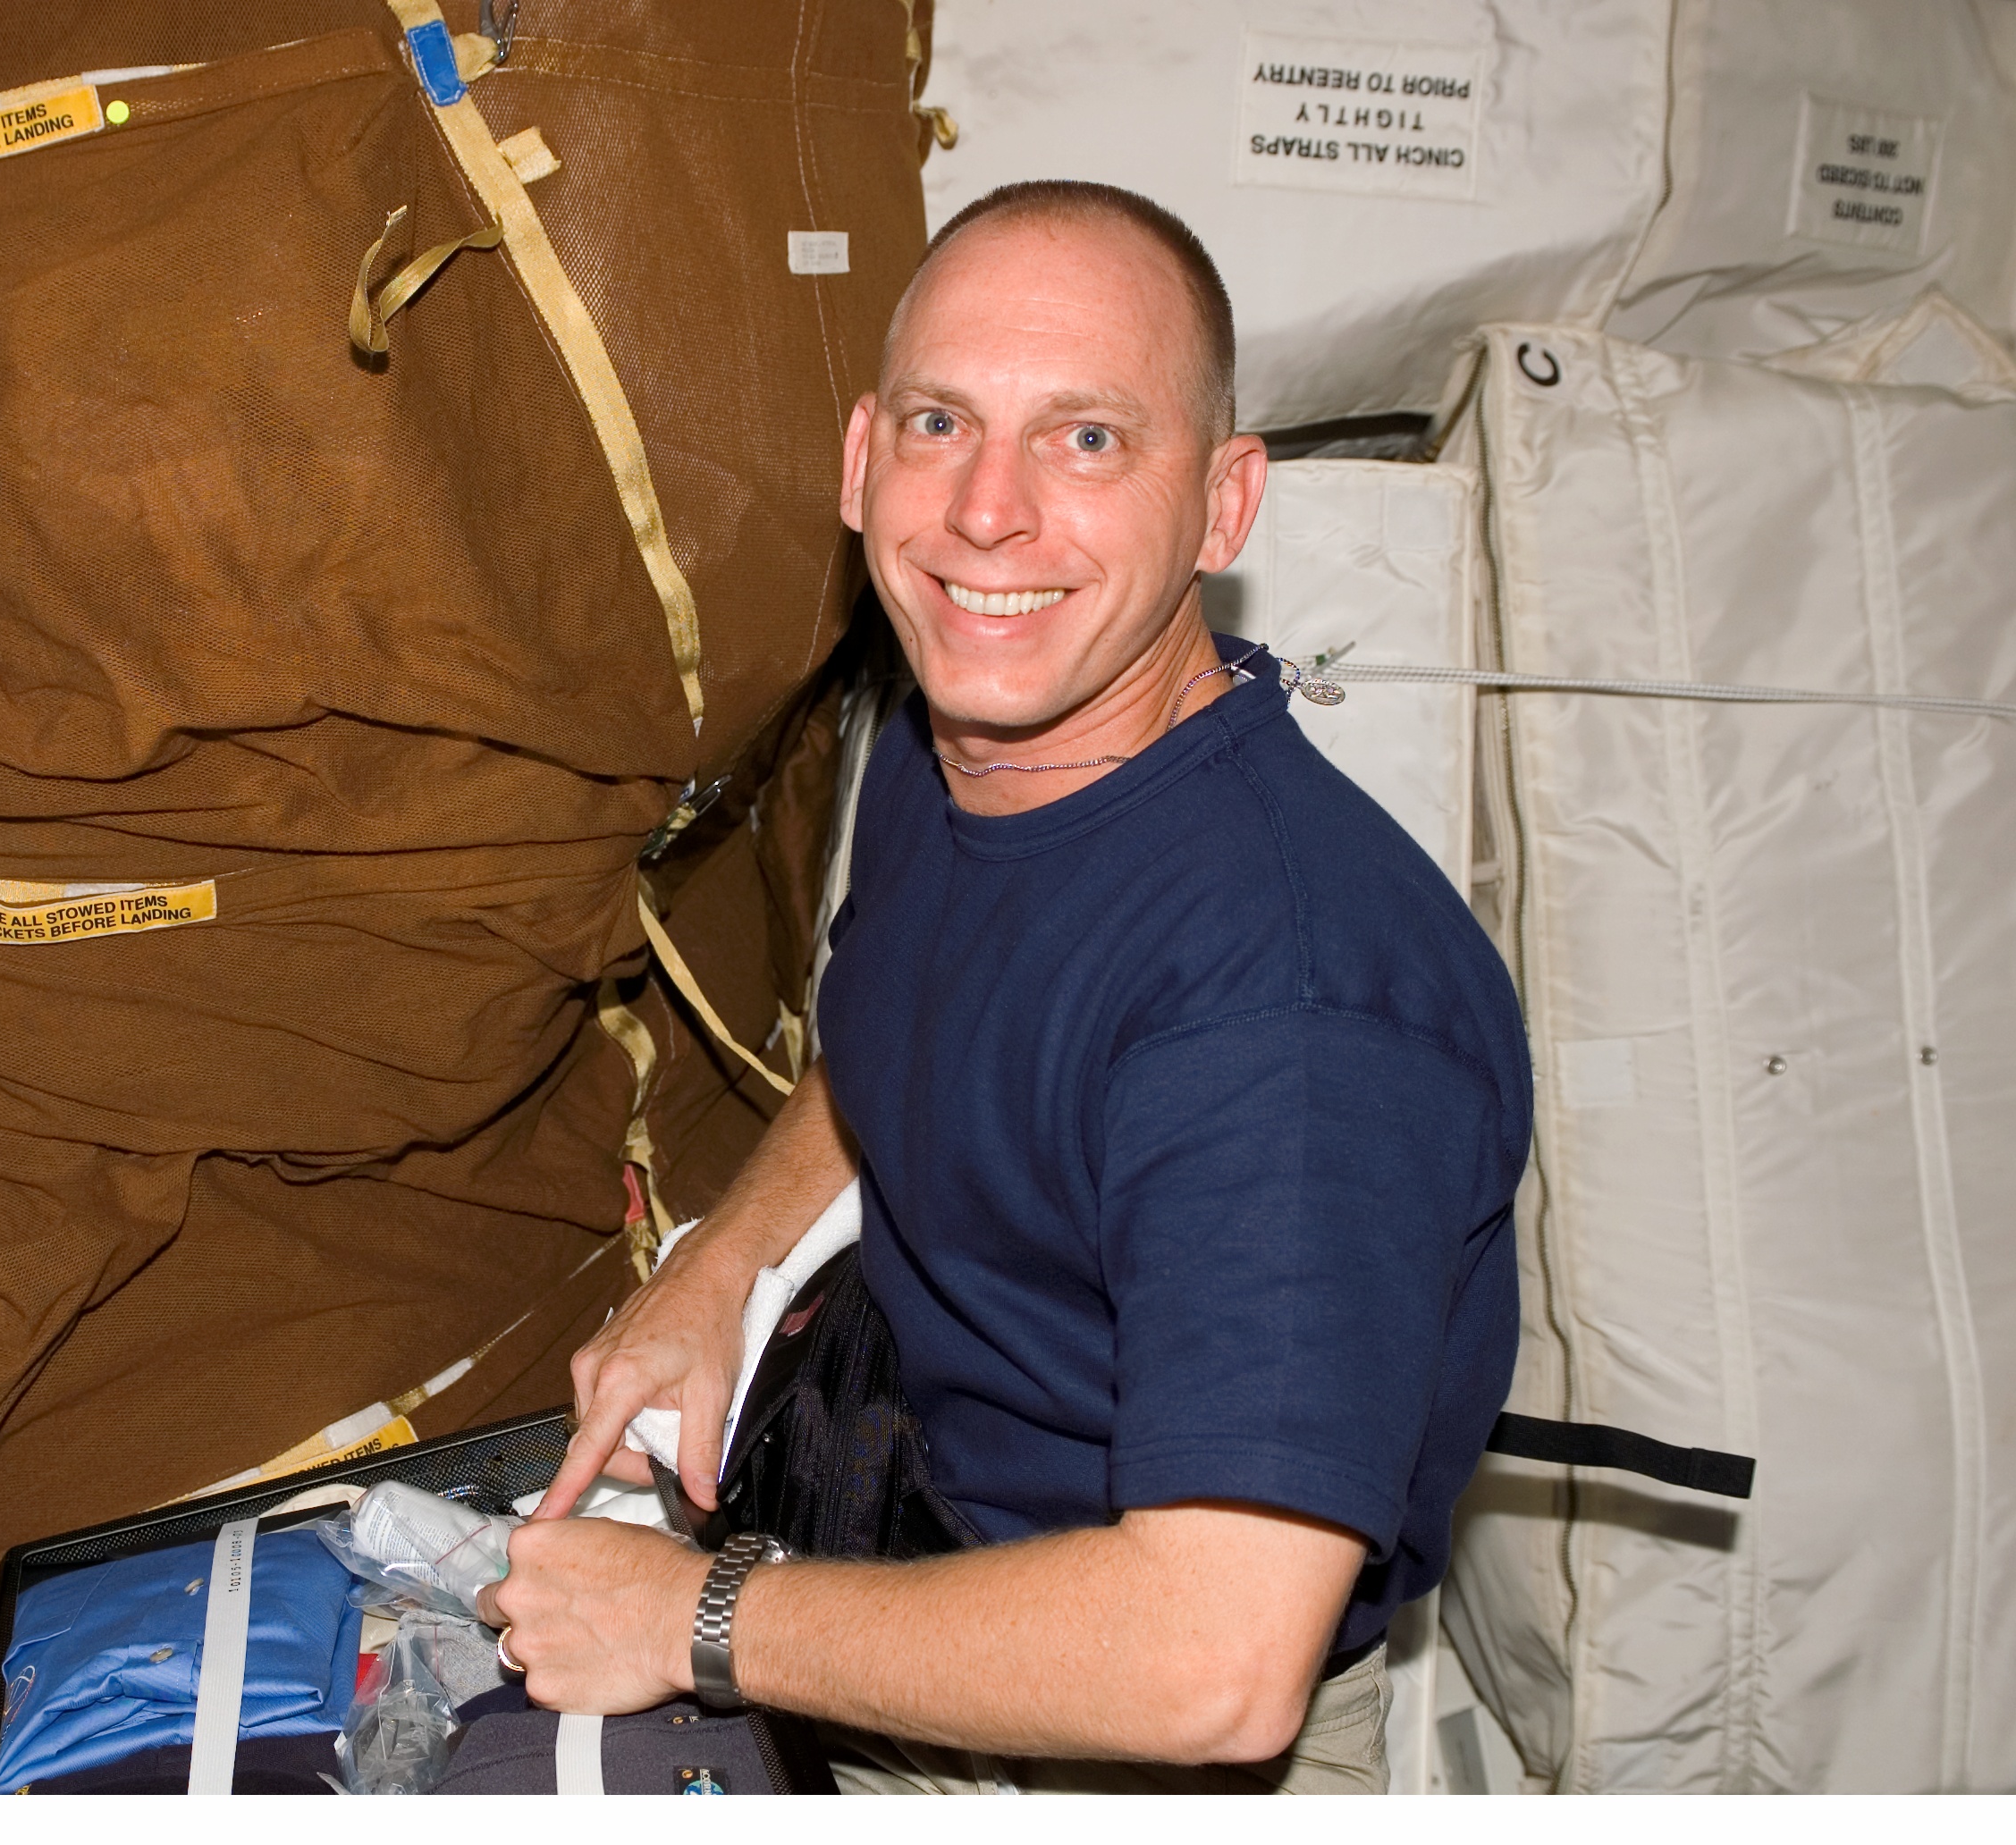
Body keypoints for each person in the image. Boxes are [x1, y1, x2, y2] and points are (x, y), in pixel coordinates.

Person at [473, 180, 1532, 1795]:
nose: (986, 512)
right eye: (940, 422)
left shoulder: (1295, 1014)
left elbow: (1213, 1660)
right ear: (857, 460)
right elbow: (902, 1029)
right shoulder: (952, 745)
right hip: (912, 1535)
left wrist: (698, 1620)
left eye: (1088, 439)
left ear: (1227, 506)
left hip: (1119, 1728)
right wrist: (725, 1265)